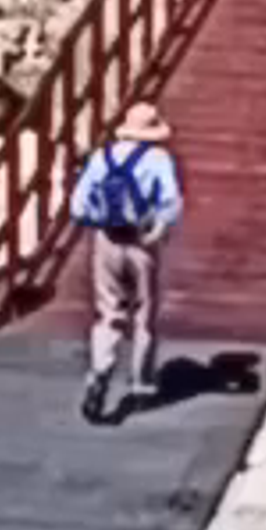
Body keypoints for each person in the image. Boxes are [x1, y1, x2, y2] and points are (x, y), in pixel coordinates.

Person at [68, 97, 183, 422]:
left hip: (106, 239)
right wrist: (158, 231)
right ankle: (141, 383)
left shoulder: (102, 157)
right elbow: (171, 202)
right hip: (140, 242)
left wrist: (100, 222)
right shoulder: (159, 159)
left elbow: (78, 207)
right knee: (144, 314)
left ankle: (100, 370)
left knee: (109, 313)